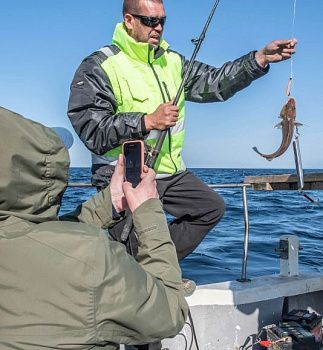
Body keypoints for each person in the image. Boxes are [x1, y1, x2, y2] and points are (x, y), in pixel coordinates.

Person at [67, 0, 297, 260]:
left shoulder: (173, 61)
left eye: (162, 20)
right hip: (122, 174)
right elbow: (91, 129)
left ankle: (157, 268)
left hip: (170, 172)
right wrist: (146, 121)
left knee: (210, 208)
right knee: (127, 242)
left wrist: (259, 59)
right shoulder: (100, 65)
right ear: (129, 21)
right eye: (150, 21)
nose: (158, 27)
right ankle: (132, 274)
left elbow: (216, 83)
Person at [0, 106, 188, 349]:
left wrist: (109, 202)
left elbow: (29, 238)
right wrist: (149, 212)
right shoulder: (91, 260)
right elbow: (170, 313)